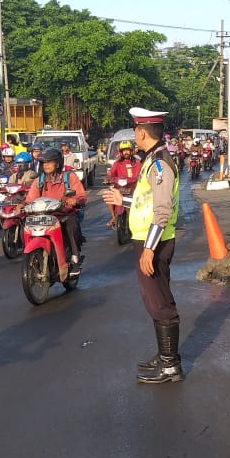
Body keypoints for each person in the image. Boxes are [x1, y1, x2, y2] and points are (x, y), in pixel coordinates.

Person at [102, 108, 183, 384]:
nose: (134, 135)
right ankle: (164, 356)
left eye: (136, 130)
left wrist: (149, 249)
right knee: (154, 300)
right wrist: (122, 200)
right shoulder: (151, 160)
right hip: (148, 239)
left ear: (142, 132)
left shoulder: (159, 164)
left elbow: (162, 209)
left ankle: (171, 366)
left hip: (155, 243)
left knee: (160, 303)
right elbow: (145, 202)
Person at [25, 147, 86, 275]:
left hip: (65, 214)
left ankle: (75, 258)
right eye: (44, 162)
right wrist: (24, 206)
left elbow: (81, 195)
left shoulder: (69, 177)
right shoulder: (39, 181)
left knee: (71, 226)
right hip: (44, 216)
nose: (46, 165)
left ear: (57, 164)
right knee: (25, 226)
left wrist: (74, 200)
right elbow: (30, 199)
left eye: (49, 162)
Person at [104, 139, 141, 227]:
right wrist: (108, 178)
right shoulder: (117, 163)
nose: (126, 152)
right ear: (120, 152)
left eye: (127, 150)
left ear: (131, 151)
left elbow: (141, 173)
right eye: (124, 151)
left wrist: (138, 179)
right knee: (109, 196)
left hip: (133, 188)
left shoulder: (137, 163)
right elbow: (111, 173)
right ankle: (113, 217)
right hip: (120, 188)